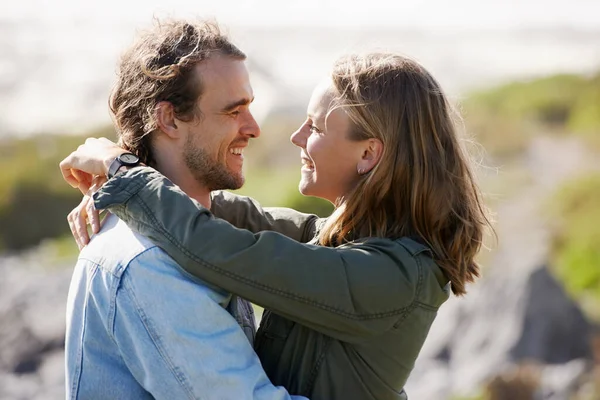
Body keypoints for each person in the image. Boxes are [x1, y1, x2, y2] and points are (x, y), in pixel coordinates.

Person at [61, 52, 493, 399]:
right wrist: (135, 173)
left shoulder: (386, 276)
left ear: (368, 155)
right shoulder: (345, 242)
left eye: (316, 126)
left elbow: (224, 249)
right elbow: (242, 216)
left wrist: (123, 170)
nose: (296, 136)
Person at [61, 18, 306, 400]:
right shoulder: (149, 263)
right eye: (233, 111)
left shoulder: (189, 233)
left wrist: (119, 172)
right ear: (170, 118)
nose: (254, 128)